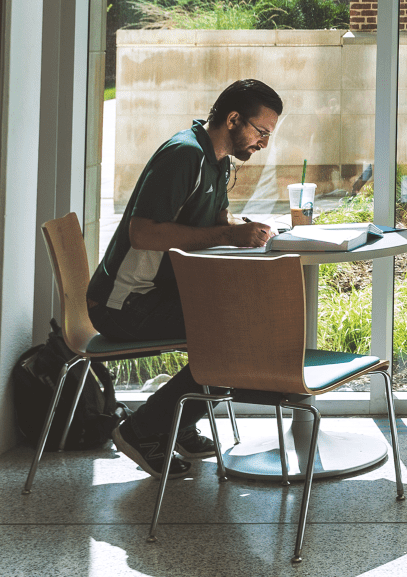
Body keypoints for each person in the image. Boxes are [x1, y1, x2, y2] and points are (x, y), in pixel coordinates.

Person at [92, 79, 282, 478]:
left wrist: (244, 229)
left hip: (152, 297)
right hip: (124, 305)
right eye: (261, 132)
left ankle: (173, 424)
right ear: (233, 119)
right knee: (238, 335)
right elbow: (142, 233)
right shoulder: (184, 155)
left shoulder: (216, 161)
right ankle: (144, 429)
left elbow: (210, 223)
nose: (264, 143)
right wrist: (229, 235)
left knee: (249, 323)